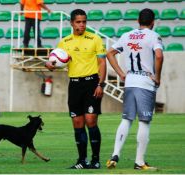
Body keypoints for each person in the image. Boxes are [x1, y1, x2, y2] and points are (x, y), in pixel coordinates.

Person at [46, 9, 107, 169]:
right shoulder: (64, 43)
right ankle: (81, 161)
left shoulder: (95, 39)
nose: (82, 25)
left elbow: (102, 63)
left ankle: (95, 160)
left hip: (92, 83)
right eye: (78, 22)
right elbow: (57, 63)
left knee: (90, 120)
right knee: (77, 122)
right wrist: (50, 65)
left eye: (84, 21)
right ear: (72, 23)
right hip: (74, 85)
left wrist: (101, 84)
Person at [105, 8, 164, 170]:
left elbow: (109, 53)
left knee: (126, 119)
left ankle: (115, 154)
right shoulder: (154, 36)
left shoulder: (127, 35)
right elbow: (159, 55)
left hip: (130, 80)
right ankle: (139, 162)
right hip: (145, 80)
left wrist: (121, 74)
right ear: (153, 23)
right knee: (144, 121)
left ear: (138, 21)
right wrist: (157, 77)